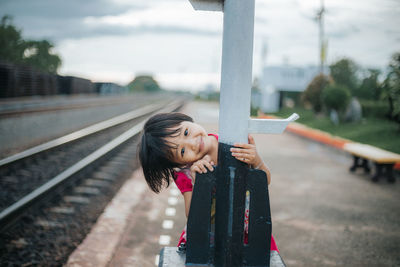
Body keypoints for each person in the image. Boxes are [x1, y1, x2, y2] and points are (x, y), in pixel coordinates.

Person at [138, 112, 278, 251]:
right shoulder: (185, 173)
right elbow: (193, 217)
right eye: (182, 151)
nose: (193, 144)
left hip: (249, 229)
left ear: (187, 119)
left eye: (186, 132)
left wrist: (256, 160)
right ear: (178, 163)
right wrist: (198, 182)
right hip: (212, 238)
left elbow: (264, 182)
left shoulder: (233, 141)